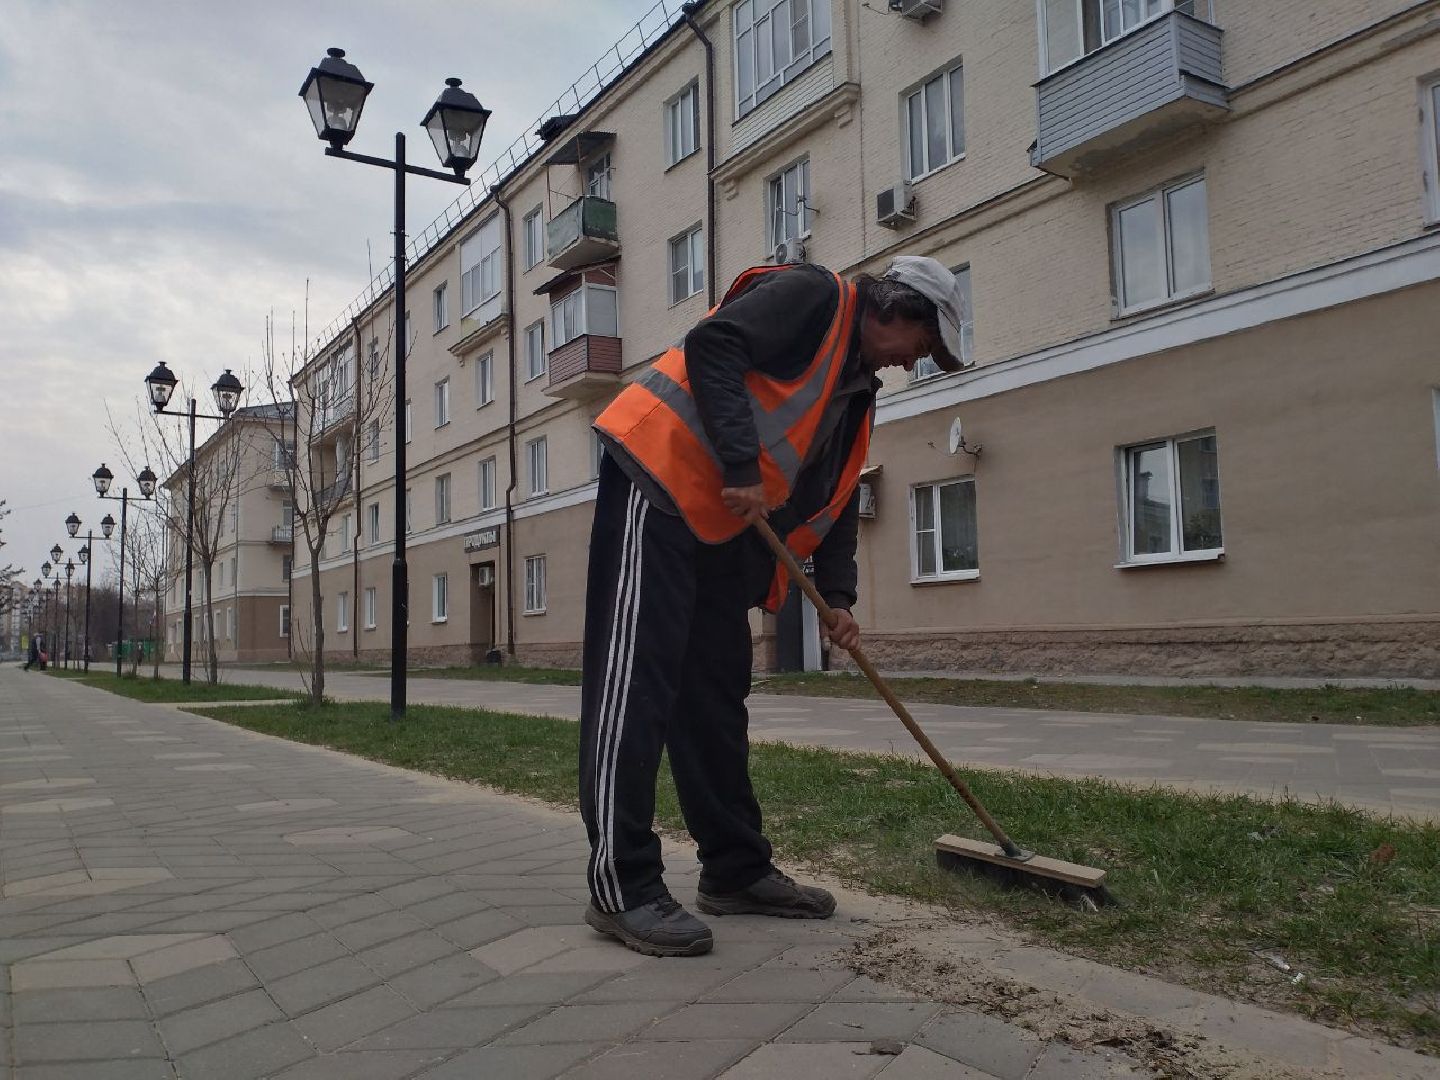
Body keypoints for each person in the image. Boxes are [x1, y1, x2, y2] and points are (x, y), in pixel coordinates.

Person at [582, 255, 969, 957]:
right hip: (662, 478)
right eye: (924, 343)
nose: (918, 362)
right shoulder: (815, 295)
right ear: (897, 310)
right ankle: (623, 885)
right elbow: (712, 346)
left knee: (716, 698)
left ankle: (735, 871)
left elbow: (840, 493)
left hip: (724, 528)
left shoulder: (858, 390)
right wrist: (738, 465)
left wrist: (840, 597)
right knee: (637, 687)